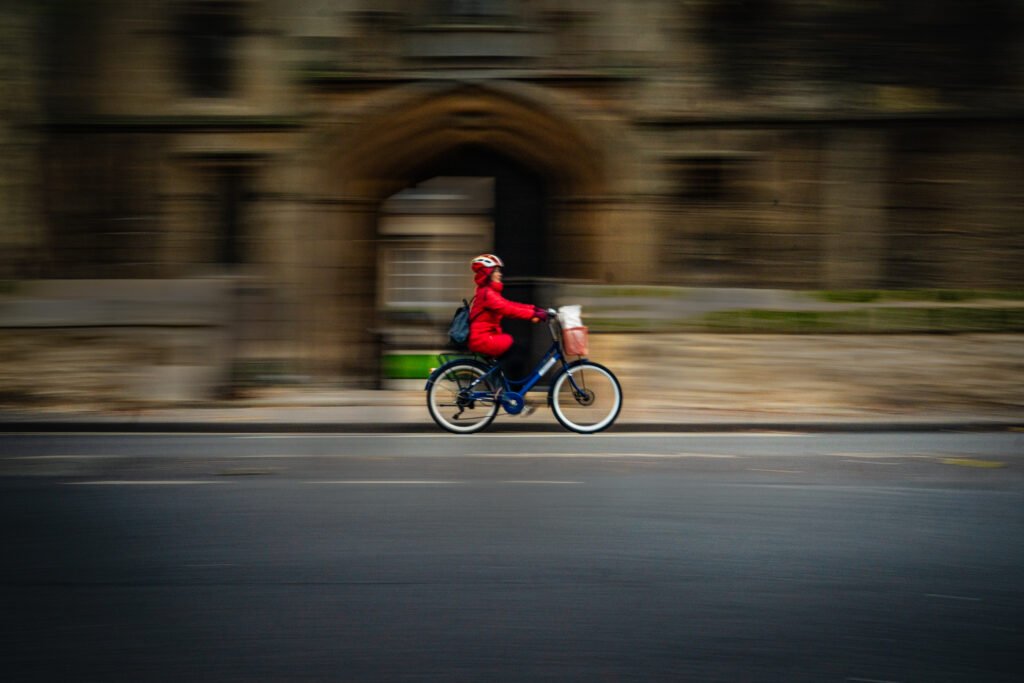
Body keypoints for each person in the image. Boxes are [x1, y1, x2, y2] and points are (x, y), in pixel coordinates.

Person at [467, 253, 548, 359]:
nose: (500, 274)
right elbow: (508, 309)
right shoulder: (487, 294)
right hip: (482, 339)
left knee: (517, 348)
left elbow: (509, 304)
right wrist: (533, 314)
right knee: (517, 349)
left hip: (486, 336)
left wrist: (533, 309)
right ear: (487, 273)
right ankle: (507, 370)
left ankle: (503, 370)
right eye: (496, 271)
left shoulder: (489, 292)